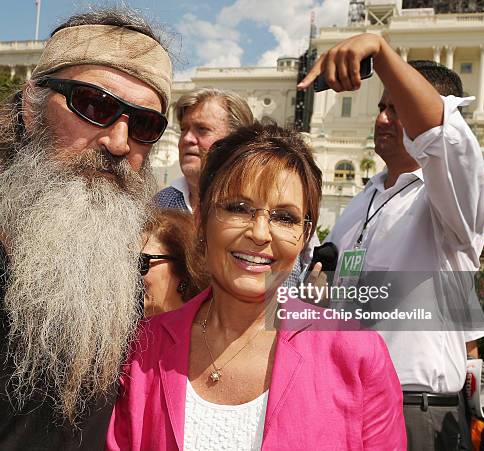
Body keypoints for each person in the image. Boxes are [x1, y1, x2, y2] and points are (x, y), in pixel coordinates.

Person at [0, 8, 172, 449]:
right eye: (94, 105)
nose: (119, 143)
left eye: (144, 125)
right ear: (31, 107)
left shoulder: (128, 290)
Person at [107, 123, 406, 450]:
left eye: (285, 217)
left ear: (305, 236)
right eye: (238, 208)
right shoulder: (145, 349)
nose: (261, 233)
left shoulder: (357, 354)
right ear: (201, 219)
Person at [298, 34, 484, 450]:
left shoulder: (449, 199)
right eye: (382, 106)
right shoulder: (362, 200)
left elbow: (443, 137)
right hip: (347, 400)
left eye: (398, 108)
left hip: (414, 410)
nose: (383, 118)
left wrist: (382, 52)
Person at [154, 88, 254, 212]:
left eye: (202, 129)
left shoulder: (256, 209)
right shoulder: (159, 204)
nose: (187, 138)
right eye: (183, 129)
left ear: (236, 140)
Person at [141, 208, 208, 316]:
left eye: (142, 261)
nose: (131, 273)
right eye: (129, 262)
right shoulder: (122, 329)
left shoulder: (206, 330)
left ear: (184, 270)